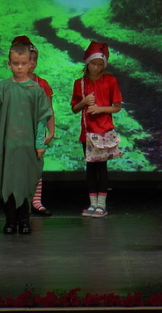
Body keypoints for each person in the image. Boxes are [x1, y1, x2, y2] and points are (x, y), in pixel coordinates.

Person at [0, 41, 53, 234]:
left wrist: (39, 143)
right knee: (8, 181)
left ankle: (24, 221)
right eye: (15, 63)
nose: (19, 67)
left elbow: (41, 118)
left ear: (30, 64)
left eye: (23, 63)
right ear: (9, 64)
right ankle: (10, 221)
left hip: (27, 145)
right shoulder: (3, 88)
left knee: (25, 181)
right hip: (7, 145)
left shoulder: (35, 90)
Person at [71, 41, 123, 217]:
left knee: (101, 167)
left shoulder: (110, 81)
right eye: (93, 63)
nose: (96, 67)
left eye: (100, 64)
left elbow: (117, 106)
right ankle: (92, 204)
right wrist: (84, 102)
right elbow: (74, 108)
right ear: (87, 62)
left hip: (104, 131)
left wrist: (100, 109)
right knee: (91, 168)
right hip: (87, 133)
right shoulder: (80, 83)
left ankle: (102, 204)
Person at [13, 35, 55, 216]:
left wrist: (51, 130)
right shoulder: (12, 83)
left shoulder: (41, 83)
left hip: (36, 131)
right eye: (28, 59)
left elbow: (48, 109)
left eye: (34, 59)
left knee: (36, 165)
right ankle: (19, 199)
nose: (32, 63)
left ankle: (36, 201)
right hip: (17, 132)